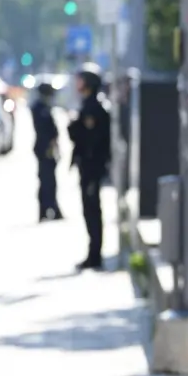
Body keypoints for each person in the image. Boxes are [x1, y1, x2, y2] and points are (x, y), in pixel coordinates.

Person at [68, 63, 111, 271]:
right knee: (89, 210)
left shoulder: (94, 108)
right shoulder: (88, 105)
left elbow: (88, 138)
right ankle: (93, 254)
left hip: (92, 167)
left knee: (92, 210)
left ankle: (95, 256)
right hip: (88, 166)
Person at [30, 83, 64, 222]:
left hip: (47, 148)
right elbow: (46, 131)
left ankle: (51, 208)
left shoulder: (44, 107)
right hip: (44, 149)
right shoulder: (40, 108)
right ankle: (47, 209)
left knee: (50, 180)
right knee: (46, 180)